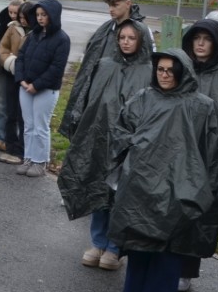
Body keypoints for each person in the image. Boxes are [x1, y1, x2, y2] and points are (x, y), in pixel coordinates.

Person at [109, 50, 218, 292]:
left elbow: (212, 151)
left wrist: (199, 186)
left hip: (179, 188)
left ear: (183, 72)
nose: (164, 75)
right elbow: (121, 130)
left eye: (171, 70)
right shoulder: (144, 98)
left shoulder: (201, 106)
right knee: (139, 242)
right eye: (160, 69)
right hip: (141, 183)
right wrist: (137, 148)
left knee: (168, 250)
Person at [57, 20, 150, 270]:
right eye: (122, 37)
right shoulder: (105, 65)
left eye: (132, 38)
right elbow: (90, 100)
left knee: (121, 196)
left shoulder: (148, 71)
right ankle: (98, 242)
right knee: (98, 189)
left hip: (129, 145)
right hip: (100, 139)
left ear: (141, 40)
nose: (126, 42)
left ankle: (115, 248)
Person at [177, 19, 218, 292]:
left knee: (197, 218)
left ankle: (186, 271)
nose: (201, 44)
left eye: (207, 39)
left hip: (207, 160)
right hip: (178, 156)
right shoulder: (182, 69)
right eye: (197, 38)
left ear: (216, 44)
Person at [58, 0, 154, 140]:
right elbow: (89, 63)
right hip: (101, 95)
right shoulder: (106, 29)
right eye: (109, 5)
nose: (111, 10)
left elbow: (147, 65)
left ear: (128, 3)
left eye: (115, 5)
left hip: (126, 97)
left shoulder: (142, 31)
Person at [13, 0, 70, 178]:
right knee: (28, 126)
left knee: (40, 127)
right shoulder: (33, 35)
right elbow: (21, 57)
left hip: (46, 90)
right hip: (25, 87)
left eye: (44, 15)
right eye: (38, 15)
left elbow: (56, 68)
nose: (40, 18)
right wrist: (21, 79)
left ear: (52, 15)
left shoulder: (62, 39)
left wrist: (36, 85)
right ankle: (28, 158)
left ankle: (40, 162)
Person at [0, 1, 34, 164]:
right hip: (11, 74)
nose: (22, 20)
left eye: (25, 17)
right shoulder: (13, 28)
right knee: (10, 112)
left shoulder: (36, 32)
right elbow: (3, 48)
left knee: (23, 115)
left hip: (27, 78)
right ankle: (10, 146)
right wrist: (10, 62)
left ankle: (21, 150)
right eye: (21, 17)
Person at [0, 0, 26, 155]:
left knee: (19, 106)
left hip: (22, 71)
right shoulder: (4, 22)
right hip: (5, 67)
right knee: (3, 103)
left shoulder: (28, 25)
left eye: (15, 13)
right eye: (10, 12)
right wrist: (6, 60)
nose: (12, 15)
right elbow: (0, 45)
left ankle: (15, 138)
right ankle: (1, 136)